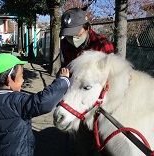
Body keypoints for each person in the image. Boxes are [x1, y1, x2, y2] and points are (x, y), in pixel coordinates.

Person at [0, 53, 70, 156]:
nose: (23, 80)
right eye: (21, 76)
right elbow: (42, 102)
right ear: (9, 79)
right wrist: (63, 81)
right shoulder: (15, 101)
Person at [59, 8, 115, 155]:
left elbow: (109, 77)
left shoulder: (102, 44)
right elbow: (69, 69)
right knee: (82, 137)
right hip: (77, 95)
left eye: (75, 33)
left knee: (100, 138)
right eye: (68, 34)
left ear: (86, 27)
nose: (71, 38)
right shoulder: (66, 44)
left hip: (96, 98)